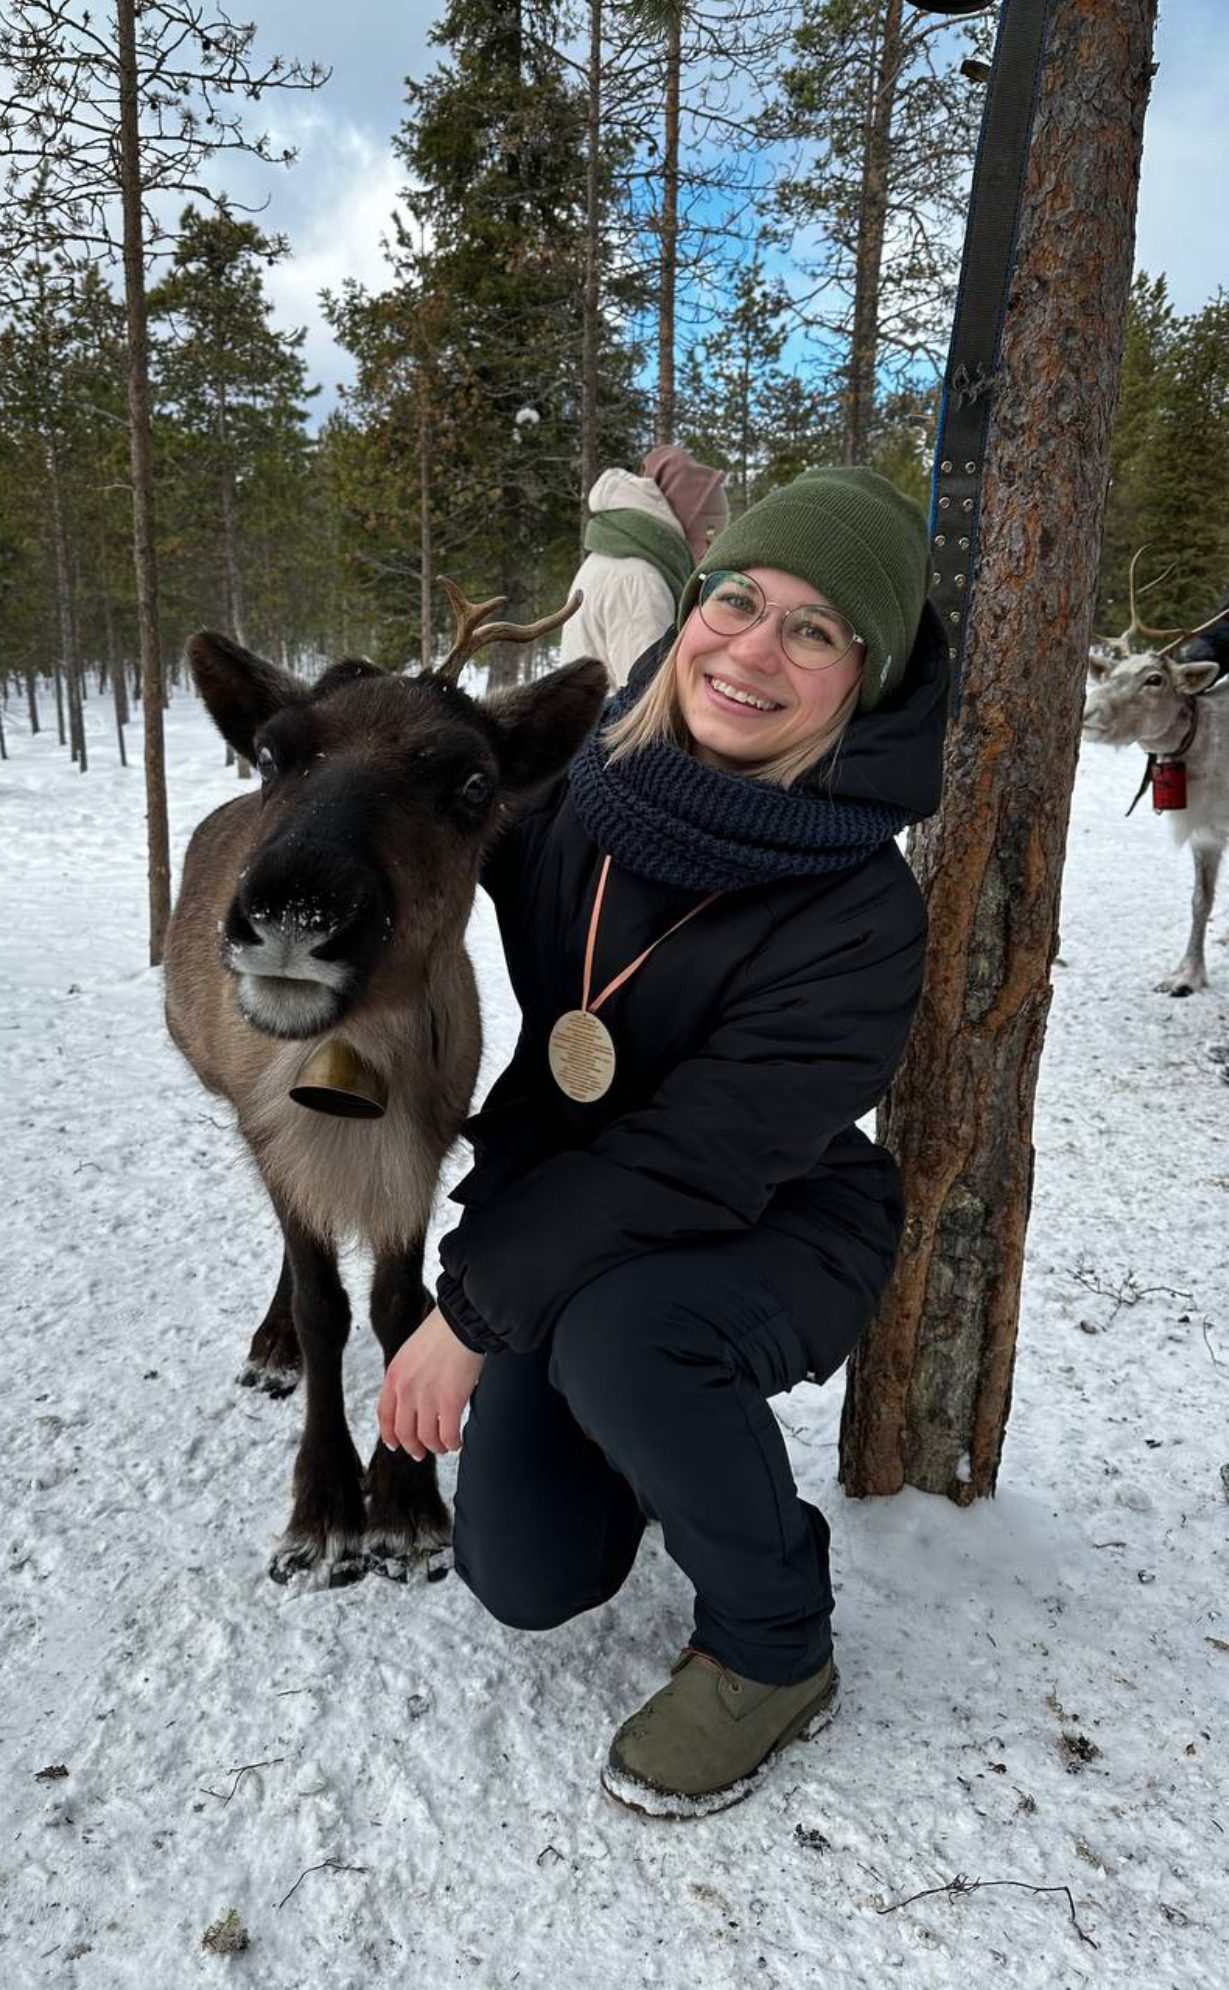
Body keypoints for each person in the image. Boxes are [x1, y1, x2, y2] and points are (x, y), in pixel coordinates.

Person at [377, 465, 946, 1817]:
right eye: (734, 599)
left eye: (812, 630)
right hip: (573, 1202)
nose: (751, 648)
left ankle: (773, 1643)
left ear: (862, 676)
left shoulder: (861, 911)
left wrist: (469, 1307)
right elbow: (427, 821)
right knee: (526, 1571)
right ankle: (650, 1440)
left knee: (621, 1336)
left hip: (775, 1218)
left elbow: (697, 1159)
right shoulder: (581, 797)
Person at [559, 445, 729, 688]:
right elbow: (645, 695)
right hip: (613, 725)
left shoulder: (619, 555)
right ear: (687, 523)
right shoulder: (638, 578)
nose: (708, 549)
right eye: (707, 533)